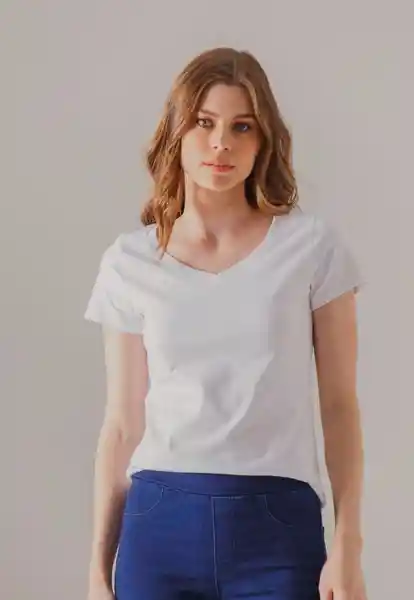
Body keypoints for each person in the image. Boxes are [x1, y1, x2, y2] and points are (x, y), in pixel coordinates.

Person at [84, 47, 367, 600]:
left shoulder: (312, 249)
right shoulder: (129, 261)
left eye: (242, 126)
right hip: (158, 528)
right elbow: (120, 425)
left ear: (263, 141)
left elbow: (339, 407)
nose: (221, 143)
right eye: (204, 123)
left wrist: (348, 546)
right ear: (176, 132)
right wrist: (97, 570)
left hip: (278, 532)